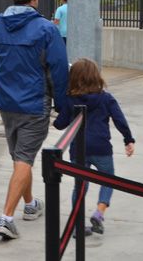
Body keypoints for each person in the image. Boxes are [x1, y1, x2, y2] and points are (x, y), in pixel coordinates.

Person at [0, 0, 69, 240]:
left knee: (20, 157)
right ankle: (6, 218)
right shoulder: (47, 29)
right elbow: (58, 70)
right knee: (24, 158)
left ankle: (31, 204)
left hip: (5, 101)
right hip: (34, 103)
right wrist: (63, 106)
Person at [53, 57, 135, 236]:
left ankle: (77, 224)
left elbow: (59, 125)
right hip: (101, 148)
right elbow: (120, 120)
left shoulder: (70, 100)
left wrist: (58, 106)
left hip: (78, 150)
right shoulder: (106, 98)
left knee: (80, 186)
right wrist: (128, 139)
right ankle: (99, 213)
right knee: (108, 180)